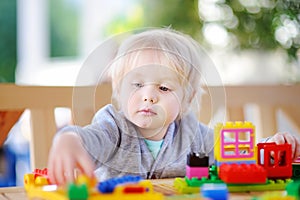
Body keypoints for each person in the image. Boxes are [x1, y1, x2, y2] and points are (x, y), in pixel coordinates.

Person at [47, 28, 300, 185]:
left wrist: (270, 147)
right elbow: (89, 139)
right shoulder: (113, 127)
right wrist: (68, 138)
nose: (148, 96)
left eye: (164, 88)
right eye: (136, 85)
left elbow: (235, 154)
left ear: (188, 100)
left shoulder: (194, 135)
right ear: (119, 93)